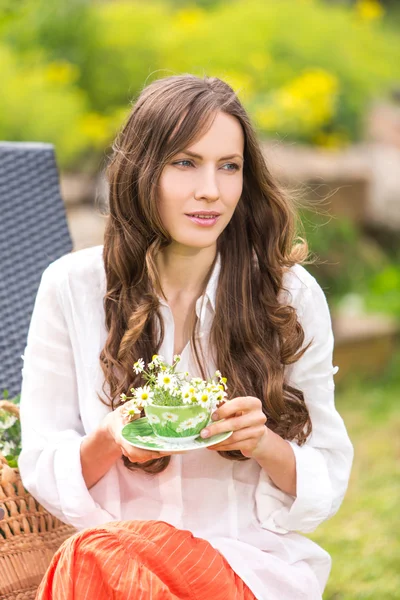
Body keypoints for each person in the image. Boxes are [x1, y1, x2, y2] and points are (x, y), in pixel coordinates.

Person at [18, 74, 354, 600]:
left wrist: (262, 443)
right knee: (101, 557)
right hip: (110, 567)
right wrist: (109, 438)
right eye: (185, 162)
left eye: (229, 166)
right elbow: (41, 460)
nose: (211, 191)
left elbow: (326, 473)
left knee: (94, 559)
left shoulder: (288, 295)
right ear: (141, 169)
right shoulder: (72, 287)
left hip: (243, 567)